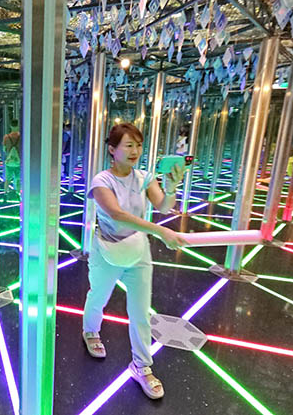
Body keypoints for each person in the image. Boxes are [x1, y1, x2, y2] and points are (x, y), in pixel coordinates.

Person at [82, 123, 186, 400]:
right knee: (98, 296)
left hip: (138, 251)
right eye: (128, 145)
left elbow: (164, 206)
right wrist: (160, 230)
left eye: (138, 145)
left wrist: (172, 188)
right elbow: (116, 214)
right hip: (107, 250)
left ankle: (142, 365)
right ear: (112, 150)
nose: (135, 151)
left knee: (141, 312)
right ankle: (90, 331)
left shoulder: (144, 177)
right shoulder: (101, 180)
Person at [2, 119, 21, 200]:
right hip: (18, 161)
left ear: (11, 126)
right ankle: (18, 193)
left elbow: (4, 149)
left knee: (7, 179)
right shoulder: (20, 136)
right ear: (18, 126)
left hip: (9, 161)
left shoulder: (6, 137)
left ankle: (5, 193)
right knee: (18, 179)